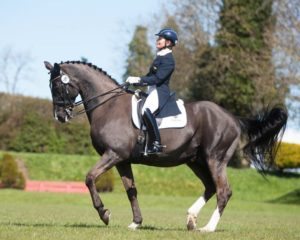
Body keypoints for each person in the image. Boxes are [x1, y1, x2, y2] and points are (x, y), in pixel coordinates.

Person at [126, 28, 181, 154]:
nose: (157, 40)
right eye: (158, 38)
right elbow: (149, 76)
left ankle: (156, 143)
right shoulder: (159, 56)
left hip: (160, 92)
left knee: (146, 111)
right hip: (151, 90)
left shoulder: (168, 60)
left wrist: (139, 79)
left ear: (168, 42)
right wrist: (135, 82)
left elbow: (157, 78)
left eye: (160, 38)